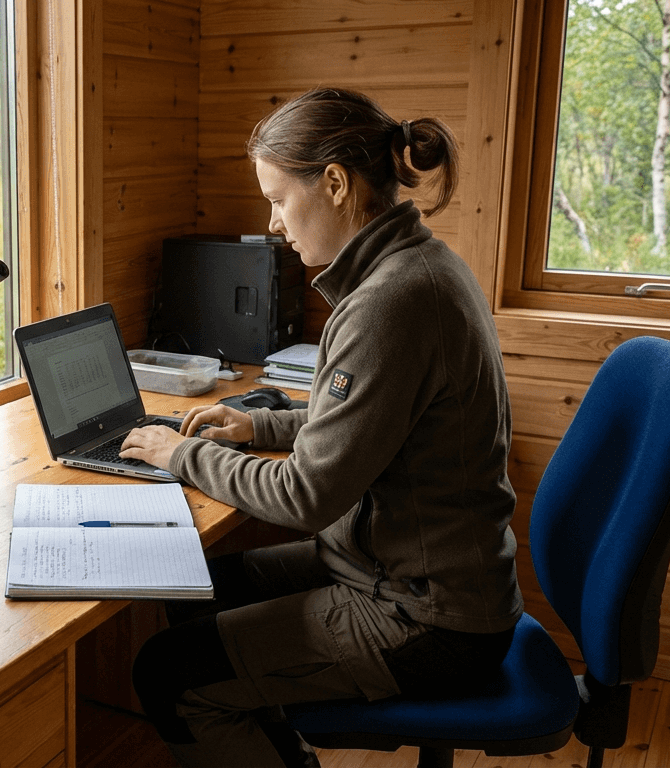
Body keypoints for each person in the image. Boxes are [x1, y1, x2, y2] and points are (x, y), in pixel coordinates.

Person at [118, 87, 523, 768]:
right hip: (397, 571)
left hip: (427, 616)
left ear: (335, 183)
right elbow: (372, 422)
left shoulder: (392, 301)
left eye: (279, 199)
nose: (274, 222)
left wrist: (180, 452)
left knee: (166, 673)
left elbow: (307, 497)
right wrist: (257, 430)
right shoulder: (419, 266)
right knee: (195, 594)